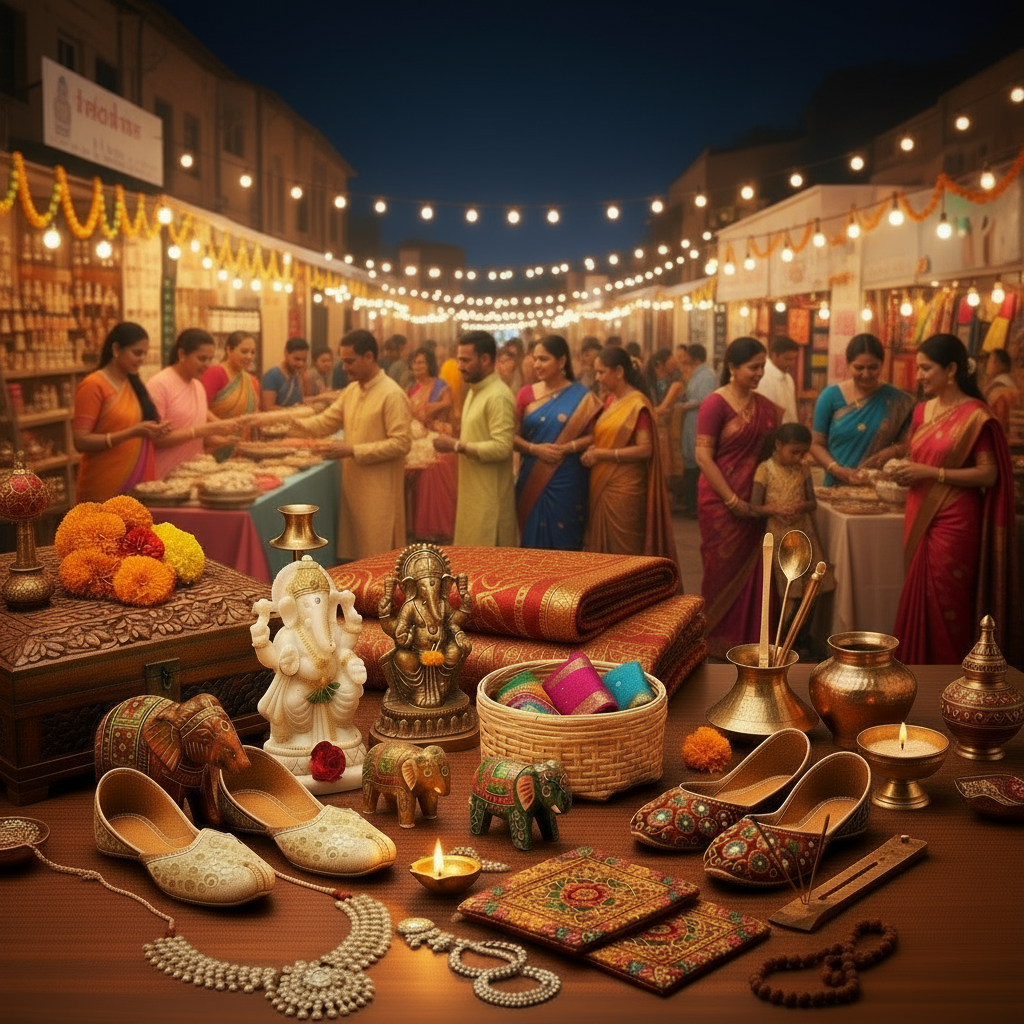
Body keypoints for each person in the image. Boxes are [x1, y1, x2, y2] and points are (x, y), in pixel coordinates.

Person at [891, 334, 1019, 665]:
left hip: (956, 519)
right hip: (919, 510)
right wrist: (905, 469)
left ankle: (951, 680)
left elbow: (988, 475)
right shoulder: (921, 411)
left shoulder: (976, 415)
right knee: (916, 596)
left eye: (925, 368)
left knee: (948, 601)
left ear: (951, 369)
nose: (918, 375)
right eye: (918, 368)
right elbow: (919, 456)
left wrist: (931, 473)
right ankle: (914, 675)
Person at [290, 330, 412, 561]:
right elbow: (324, 422)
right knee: (356, 556)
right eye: (342, 361)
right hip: (354, 488)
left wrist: (353, 450)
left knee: (378, 556)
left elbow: (402, 443)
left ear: (369, 357)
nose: (344, 368)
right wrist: (286, 424)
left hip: (380, 492)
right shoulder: (353, 390)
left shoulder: (391, 394)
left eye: (349, 361)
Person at [695, 337, 781, 658]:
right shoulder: (715, 404)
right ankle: (717, 637)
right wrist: (732, 501)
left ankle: (755, 638)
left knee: (759, 567)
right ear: (732, 367)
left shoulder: (766, 407)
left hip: (756, 502)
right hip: (721, 502)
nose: (759, 373)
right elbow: (704, 457)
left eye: (762, 367)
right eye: (753, 367)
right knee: (720, 569)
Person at [580, 345, 677, 560]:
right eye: (596, 372)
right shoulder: (610, 400)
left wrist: (602, 454)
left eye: (601, 372)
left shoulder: (637, 404)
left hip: (625, 489)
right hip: (602, 482)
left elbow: (645, 449)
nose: (597, 378)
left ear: (619, 372)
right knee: (602, 555)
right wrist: (595, 450)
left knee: (624, 553)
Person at [513, 335, 601, 550]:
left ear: (561, 362)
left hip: (568, 477)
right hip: (531, 475)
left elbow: (594, 436)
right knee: (532, 541)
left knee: (566, 539)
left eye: (543, 359)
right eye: (535, 359)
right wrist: (535, 449)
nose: (536, 365)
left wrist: (566, 448)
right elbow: (511, 436)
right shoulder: (526, 394)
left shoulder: (582, 396)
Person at [749, 423, 833, 642]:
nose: (799, 458)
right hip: (778, 534)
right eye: (794, 452)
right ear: (778, 445)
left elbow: (812, 503)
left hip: (804, 531)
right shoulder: (765, 469)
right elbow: (754, 506)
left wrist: (799, 507)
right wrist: (775, 509)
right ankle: (784, 641)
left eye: (803, 453)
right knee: (788, 590)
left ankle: (802, 637)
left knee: (812, 586)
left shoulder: (803, 469)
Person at [432, 331, 517, 546]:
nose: (459, 366)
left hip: (490, 504)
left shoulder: (498, 395)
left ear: (486, 359)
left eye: (465, 360)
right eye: (459, 359)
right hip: (472, 497)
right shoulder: (474, 390)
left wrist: (457, 445)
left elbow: (502, 448)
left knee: (490, 574)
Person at [72, 322, 171, 501]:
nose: (142, 359)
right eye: (137, 353)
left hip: (139, 485)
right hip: (105, 485)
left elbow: (136, 427)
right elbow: (80, 441)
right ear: (116, 349)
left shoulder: (134, 384)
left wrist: (154, 430)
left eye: (145, 354)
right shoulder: (94, 385)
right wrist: (132, 432)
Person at [811, 334, 915, 485]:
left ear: (882, 364)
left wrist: (892, 452)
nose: (866, 374)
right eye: (859, 368)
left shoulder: (898, 400)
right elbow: (816, 444)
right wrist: (837, 469)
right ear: (848, 365)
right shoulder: (830, 396)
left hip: (880, 488)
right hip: (836, 485)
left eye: (873, 367)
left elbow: (910, 444)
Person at [148, 328, 240, 478]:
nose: (207, 365)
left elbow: (199, 440)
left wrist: (224, 440)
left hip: (194, 474)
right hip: (164, 476)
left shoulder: (198, 386)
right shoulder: (159, 385)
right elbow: (155, 439)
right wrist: (203, 430)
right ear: (182, 354)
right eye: (202, 359)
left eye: (210, 359)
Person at [407, 345, 457, 542]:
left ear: (429, 364)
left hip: (438, 433)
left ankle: (434, 525)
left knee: (433, 467)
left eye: (422, 362)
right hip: (418, 434)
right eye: (415, 363)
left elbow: (448, 403)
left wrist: (431, 407)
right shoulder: (412, 389)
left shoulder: (440, 385)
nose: (418, 366)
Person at [202, 330, 260, 458]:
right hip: (216, 443)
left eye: (252, 352)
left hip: (241, 447)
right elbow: (200, 409)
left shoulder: (251, 380)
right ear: (229, 350)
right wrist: (224, 427)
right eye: (244, 351)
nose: (249, 356)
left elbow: (254, 413)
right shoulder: (216, 373)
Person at [679, 343, 718, 517]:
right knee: (690, 461)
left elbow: (706, 399)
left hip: (698, 420)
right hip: (691, 420)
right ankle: (691, 504)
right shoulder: (696, 374)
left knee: (698, 461)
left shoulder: (707, 375)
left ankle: (697, 505)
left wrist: (686, 406)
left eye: (685, 355)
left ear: (693, 357)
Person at [757, 336, 800, 424]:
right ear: (774, 355)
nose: (792, 363)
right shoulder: (763, 377)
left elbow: (791, 412)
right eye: (788, 359)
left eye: (794, 359)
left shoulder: (788, 378)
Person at [262, 336, 310, 410]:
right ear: (286, 353)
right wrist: (292, 411)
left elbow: (301, 401)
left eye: (304, 360)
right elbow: (268, 407)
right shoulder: (272, 375)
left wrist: (305, 381)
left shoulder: (297, 374)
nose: (300, 364)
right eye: (297, 359)